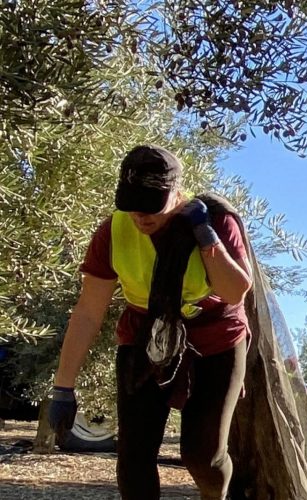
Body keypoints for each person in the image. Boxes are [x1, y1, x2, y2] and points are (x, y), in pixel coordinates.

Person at [47, 145, 253, 500]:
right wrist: (63, 387)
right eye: (132, 203)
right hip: (144, 338)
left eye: (151, 203)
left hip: (215, 339)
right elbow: (88, 311)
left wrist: (205, 236)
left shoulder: (217, 221)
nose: (141, 215)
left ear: (178, 192)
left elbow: (234, 291)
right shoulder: (112, 231)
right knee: (133, 458)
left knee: (202, 456)